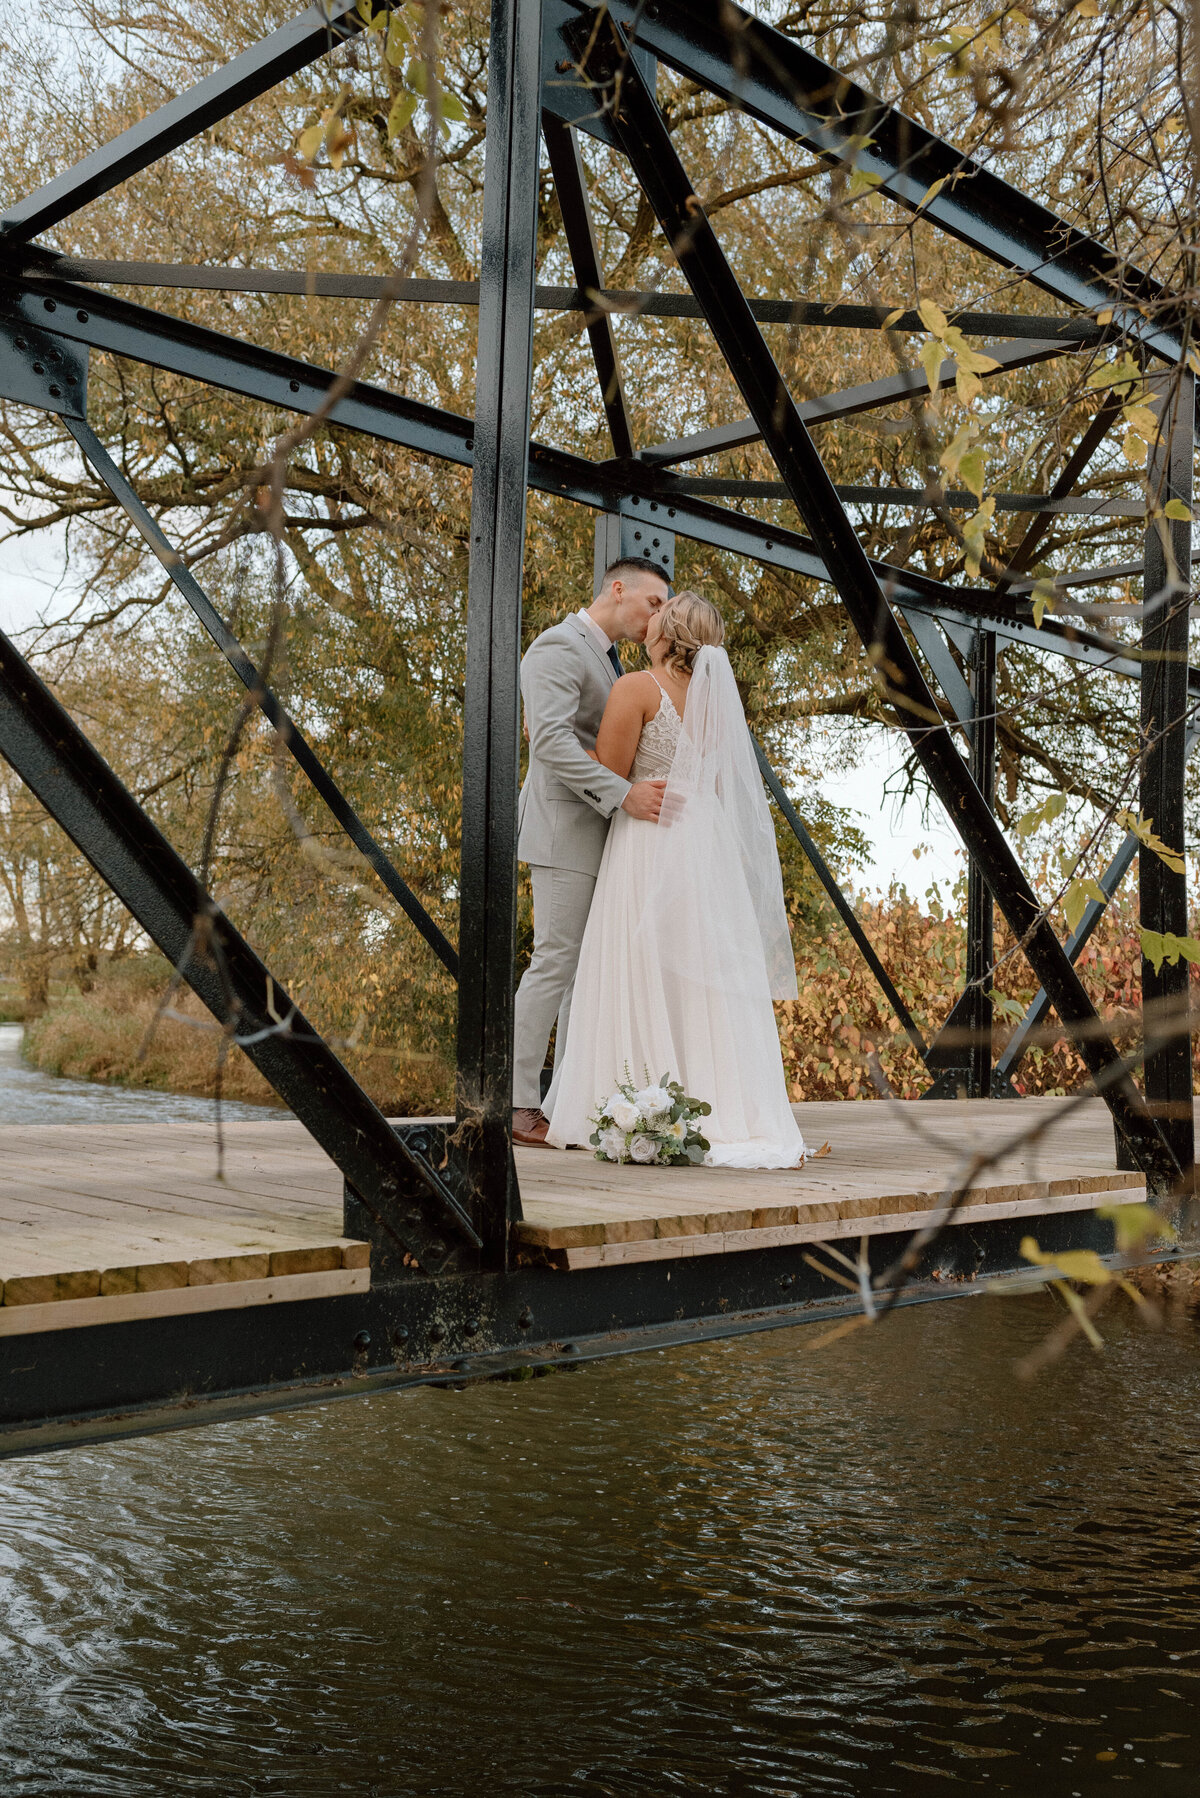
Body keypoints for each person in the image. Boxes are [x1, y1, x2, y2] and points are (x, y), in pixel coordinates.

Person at [544, 591, 806, 1169]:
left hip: (650, 838)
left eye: (662, 610)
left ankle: (635, 1100)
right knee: (700, 975)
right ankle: (705, 1102)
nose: (651, 615)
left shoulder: (635, 688)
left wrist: (562, 744)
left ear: (670, 632)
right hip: (704, 845)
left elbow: (608, 775)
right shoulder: (716, 703)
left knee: (638, 963)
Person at [512, 556, 670, 1147]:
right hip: (563, 828)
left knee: (584, 970)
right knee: (555, 961)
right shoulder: (557, 647)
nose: (658, 618)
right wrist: (624, 794)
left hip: (597, 829)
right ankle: (516, 1102)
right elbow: (550, 742)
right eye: (654, 603)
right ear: (618, 587)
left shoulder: (605, 658)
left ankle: (565, 1099)